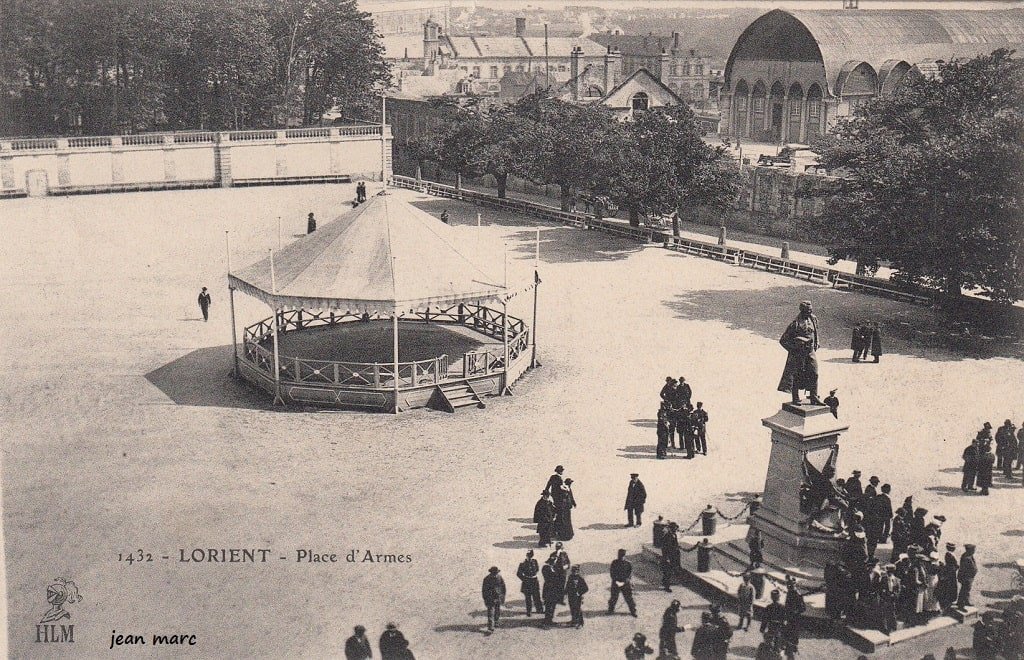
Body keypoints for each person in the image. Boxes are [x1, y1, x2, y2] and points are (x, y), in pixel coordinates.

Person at [777, 301, 822, 405]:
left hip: (810, 351)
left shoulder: (813, 319)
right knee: (797, 375)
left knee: (814, 373)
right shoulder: (795, 324)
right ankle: (795, 398)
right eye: (808, 310)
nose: (810, 312)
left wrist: (816, 343)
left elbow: (815, 332)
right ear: (802, 311)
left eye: (811, 310)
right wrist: (794, 349)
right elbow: (783, 340)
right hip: (799, 353)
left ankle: (814, 396)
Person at [609, 548, 638, 617]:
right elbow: (612, 573)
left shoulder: (628, 564)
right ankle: (610, 610)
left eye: (622, 555)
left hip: (625, 583)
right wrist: (616, 581)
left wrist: (624, 582)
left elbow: (629, 575)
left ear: (625, 556)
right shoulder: (614, 563)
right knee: (613, 597)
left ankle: (633, 611)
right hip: (616, 583)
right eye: (619, 555)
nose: (621, 557)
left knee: (629, 598)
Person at [782, 577, 806, 659]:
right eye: (788, 585)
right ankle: (788, 648)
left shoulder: (797, 594)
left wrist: (795, 611)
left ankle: (794, 648)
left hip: (795, 618)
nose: (788, 587)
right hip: (789, 616)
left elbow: (803, 608)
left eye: (790, 586)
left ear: (793, 585)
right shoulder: (789, 592)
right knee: (788, 631)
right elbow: (787, 604)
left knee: (795, 633)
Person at [517, 549, 541, 617]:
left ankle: (539, 609)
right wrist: (524, 579)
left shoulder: (535, 561)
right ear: (526, 556)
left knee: (536, 596)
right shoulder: (523, 563)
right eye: (528, 556)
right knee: (528, 598)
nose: (530, 557)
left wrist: (533, 575)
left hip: (534, 581)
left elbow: (537, 569)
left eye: (531, 556)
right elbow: (518, 573)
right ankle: (529, 611)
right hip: (527, 582)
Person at [481, 566, 506, 632]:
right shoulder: (486, 579)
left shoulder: (499, 577)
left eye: (496, 573)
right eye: (494, 573)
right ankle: (490, 627)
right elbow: (484, 590)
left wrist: (503, 596)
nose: (495, 574)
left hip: (498, 597)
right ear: (491, 573)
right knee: (491, 612)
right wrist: (485, 599)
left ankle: (496, 622)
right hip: (490, 598)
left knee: (497, 610)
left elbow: (503, 587)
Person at [936, 543, 958, 613]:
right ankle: (948, 602)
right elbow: (955, 564)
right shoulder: (950, 555)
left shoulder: (949, 554)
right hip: (951, 572)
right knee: (950, 586)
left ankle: (949, 601)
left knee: (950, 586)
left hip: (951, 572)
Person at [541, 555, 563, 626]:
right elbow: (548, 578)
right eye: (554, 562)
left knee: (553, 605)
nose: (555, 563)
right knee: (548, 605)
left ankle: (550, 619)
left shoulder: (555, 568)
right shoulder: (545, 568)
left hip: (554, 590)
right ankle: (547, 621)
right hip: (549, 590)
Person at [956, 544, 977, 609]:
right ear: (970, 550)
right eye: (973, 550)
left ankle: (966, 601)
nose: (974, 551)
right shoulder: (966, 558)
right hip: (966, 577)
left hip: (969, 577)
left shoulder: (968, 555)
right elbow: (966, 569)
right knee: (964, 590)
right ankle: (961, 605)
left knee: (966, 590)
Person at [661, 523, 681, 592]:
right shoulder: (667, 536)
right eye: (674, 529)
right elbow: (664, 548)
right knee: (668, 572)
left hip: (673, 556)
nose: (675, 530)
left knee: (669, 571)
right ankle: (667, 586)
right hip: (668, 557)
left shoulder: (674, 535)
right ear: (671, 529)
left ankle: (665, 582)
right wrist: (666, 558)